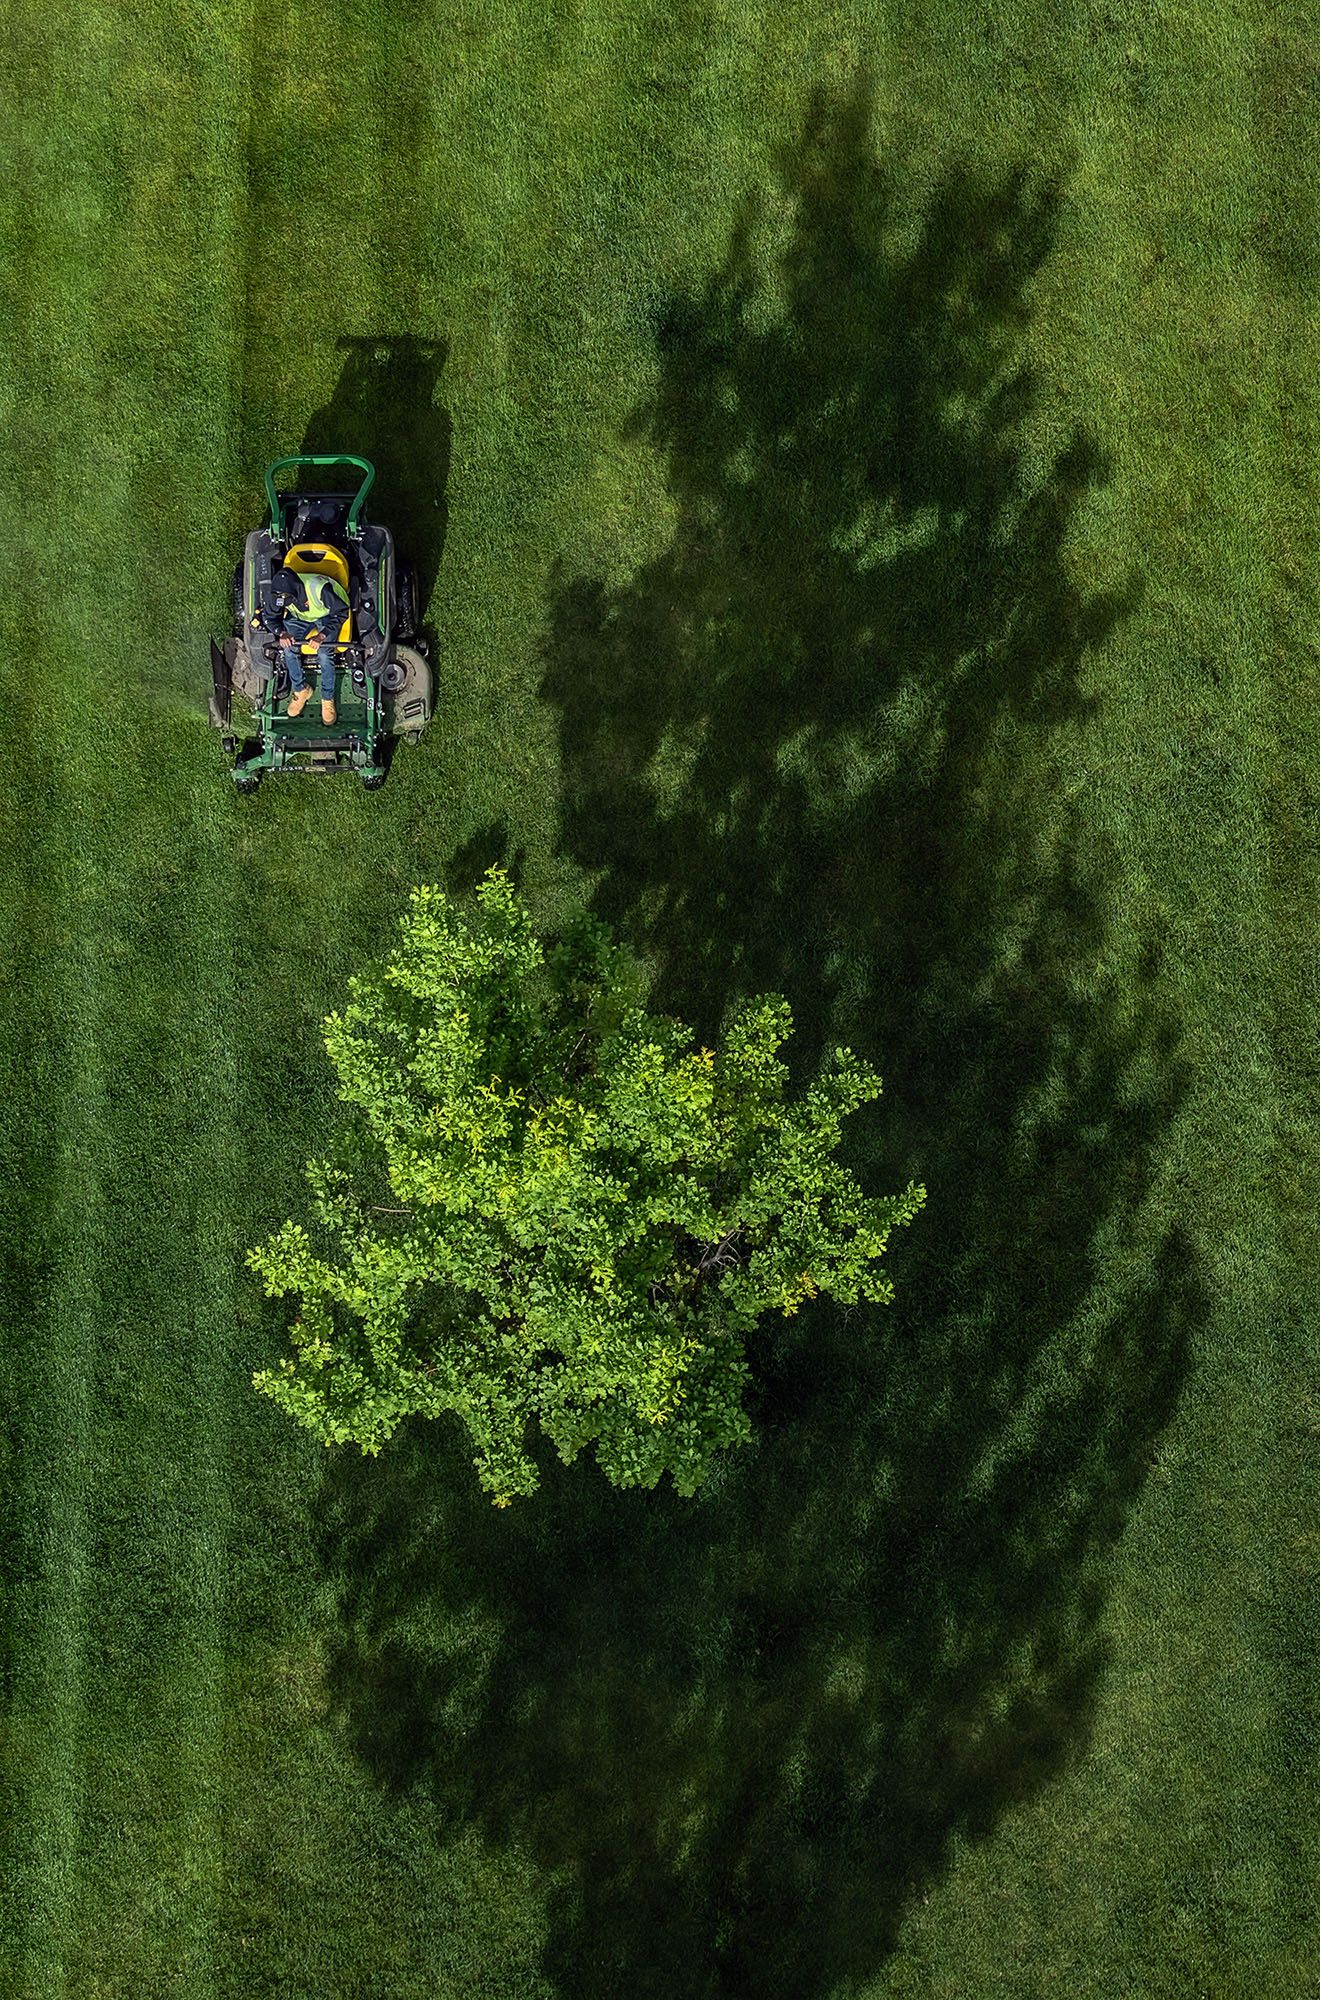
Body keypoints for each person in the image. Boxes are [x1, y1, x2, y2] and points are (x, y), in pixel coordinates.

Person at [273, 563, 350, 724]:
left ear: (296, 592)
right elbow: (269, 615)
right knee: (288, 648)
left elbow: (342, 612)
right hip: (300, 616)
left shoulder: (319, 589)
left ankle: (327, 698)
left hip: (329, 613)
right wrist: (282, 633)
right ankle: (301, 690)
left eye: (287, 599)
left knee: (323, 653)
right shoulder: (278, 593)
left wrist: (322, 636)